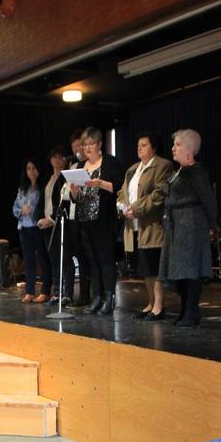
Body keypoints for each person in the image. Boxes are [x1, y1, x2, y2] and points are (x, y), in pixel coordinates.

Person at [159, 129, 218, 327]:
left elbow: (208, 199)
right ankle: (185, 309)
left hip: (191, 225)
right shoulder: (179, 172)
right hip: (177, 225)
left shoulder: (196, 171)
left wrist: (213, 225)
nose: (173, 148)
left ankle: (192, 311)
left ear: (189, 149)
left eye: (177, 144)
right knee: (180, 270)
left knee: (191, 269)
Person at [118, 134, 173, 321]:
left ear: (154, 147)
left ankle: (159, 306)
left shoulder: (163, 165)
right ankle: (150, 303)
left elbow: (158, 194)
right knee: (145, 268)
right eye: (137, 145)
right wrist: (123, 208)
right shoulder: (133, 169)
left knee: (154, 265)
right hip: (135, 224)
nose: (139, 148)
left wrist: (135, 208)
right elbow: (121, 193)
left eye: (144, 145)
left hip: (153, 224)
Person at [70, 126, 124, 316]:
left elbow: (118, 187)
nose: (88, 147)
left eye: (91, 143)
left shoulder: (109, 162)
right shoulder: (79, 166)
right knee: (92, 262)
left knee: (106, 260)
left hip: (103, 221)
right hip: (85, 221)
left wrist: (99, 183)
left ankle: (109, 298)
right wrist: (74, 191)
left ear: (100, 144)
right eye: (85, 144)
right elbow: (74, 198)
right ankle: (97, 297)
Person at [38, 146, 75, 307]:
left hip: (59, 223)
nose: (57, 160)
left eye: (60, 157)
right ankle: (57, 292)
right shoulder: (49, 178)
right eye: (54, 157)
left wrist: (51, 219)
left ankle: (67, 293)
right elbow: (44, 200)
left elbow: (64, 202)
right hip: (46, 223)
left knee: (65, 258)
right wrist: (41, 218)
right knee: (53, 259)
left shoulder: (65, 177)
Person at [13, 158, 52, 303]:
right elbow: (15, 208)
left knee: (43, 259)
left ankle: (45, 291)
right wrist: (21, 211)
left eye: (34, 168)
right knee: (28, 261)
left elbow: (45, 206)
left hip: (38, 227)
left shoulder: (43, 188)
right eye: (29, 168)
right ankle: (29, 291)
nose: (31, 171)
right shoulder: (23, 189)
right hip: (24, 228)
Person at [65, 129, 91, 307]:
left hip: (89, 216)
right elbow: (68, 193)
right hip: (74, 216)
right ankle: (82, 295)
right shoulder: (74, 166)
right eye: (74, 147)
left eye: (79, 146)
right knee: (79, 257)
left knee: (89, 257)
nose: (77, 150)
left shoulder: (91, 165)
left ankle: (91, 295)